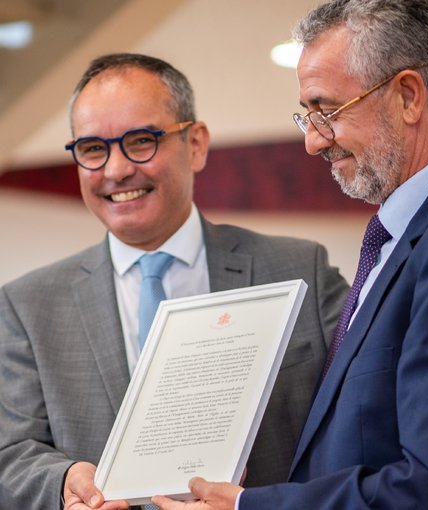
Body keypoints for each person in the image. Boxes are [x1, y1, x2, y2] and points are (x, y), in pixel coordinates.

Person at [150, 1, 428, 509]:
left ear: (407, 96)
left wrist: (251, 507)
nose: (313, 143)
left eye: (328, 111)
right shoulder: (415, 235)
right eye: (307, 116)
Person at [0, 53, 349, 509]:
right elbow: (12, 451)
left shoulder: (301, 269)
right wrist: (63, 481)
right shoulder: (27, 306)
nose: (115, 170)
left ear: (197, 144)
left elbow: (356, 418)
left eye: (141, 140)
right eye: (91, 149)